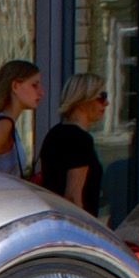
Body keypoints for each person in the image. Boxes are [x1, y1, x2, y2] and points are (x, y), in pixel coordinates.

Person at [38, 72, 107, 215]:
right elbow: (73, 196)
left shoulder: (55, 133)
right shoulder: (79, 139)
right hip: (74, 224)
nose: (106, 103)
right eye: (101, 97)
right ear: (83, 98)